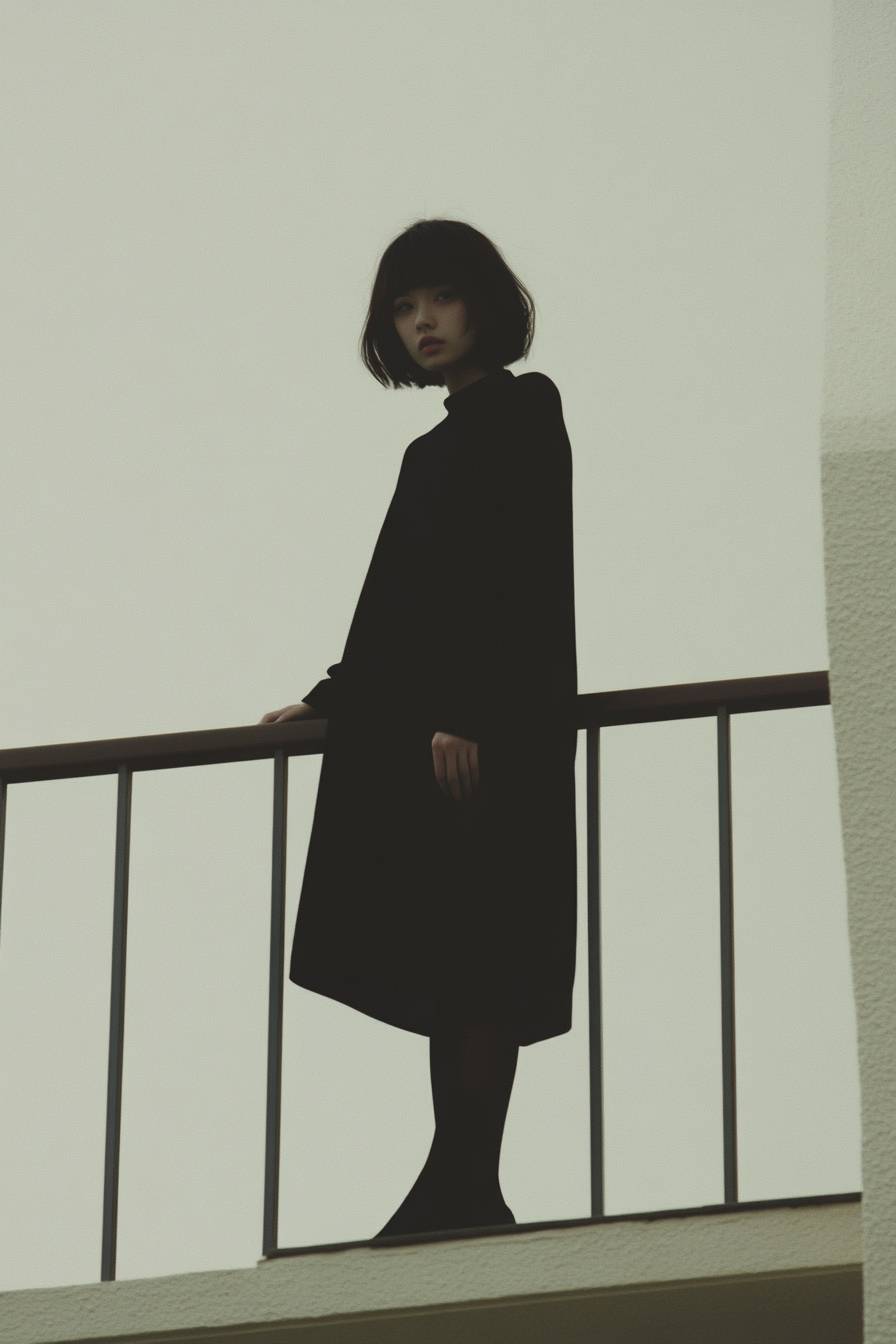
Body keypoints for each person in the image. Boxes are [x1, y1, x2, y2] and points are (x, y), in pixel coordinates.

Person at [258, 218, 578, 1241]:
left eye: (436, 298)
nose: (420, 322)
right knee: (457, 954)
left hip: (488, 734)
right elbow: (402, 597)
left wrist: (471, 712)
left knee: (481, 951)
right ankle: (459, 1186)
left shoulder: (525, 412)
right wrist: (333, 696)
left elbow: (516, 572)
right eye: (402, 308)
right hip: (442, 739)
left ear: (482, 301)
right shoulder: (431, 445)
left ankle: (462, 1184)